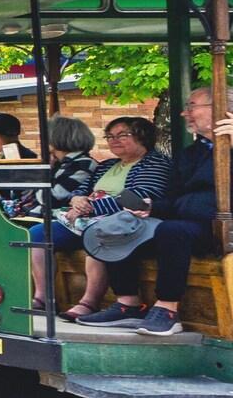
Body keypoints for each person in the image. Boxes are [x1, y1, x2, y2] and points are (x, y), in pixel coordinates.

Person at [78, 89, 233, 336]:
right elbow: (173, 199)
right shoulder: (190, 153)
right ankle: (128, 303)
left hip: (217, 226)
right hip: (183, 222)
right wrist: (150, 206)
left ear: (220, 107)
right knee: (118, 226)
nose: (185, 113)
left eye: (192, 106)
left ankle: (168, 310)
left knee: (172, 231)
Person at [23, 116, 99, 304]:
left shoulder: (82, 163)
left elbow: (50, 198)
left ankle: (43, 297)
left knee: (36, 234)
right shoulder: (62, 164)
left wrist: (46, 171)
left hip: (72, 221)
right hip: (51, 217)